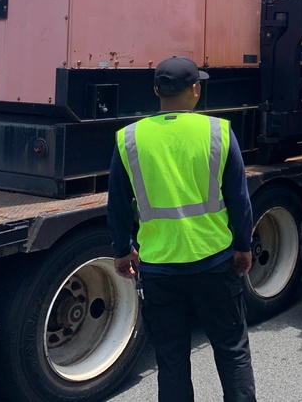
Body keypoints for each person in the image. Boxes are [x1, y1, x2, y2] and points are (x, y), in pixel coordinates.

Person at [108, 55, 256, 402]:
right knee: (232, 351)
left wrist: (120, 250)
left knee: (171, 360)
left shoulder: (129, 139)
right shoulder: (217, 131)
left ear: (156, 90)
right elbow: (238, 198)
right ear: (195, 89)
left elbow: (116, 203)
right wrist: (244, 245)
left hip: (159, 269)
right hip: (215, 262)